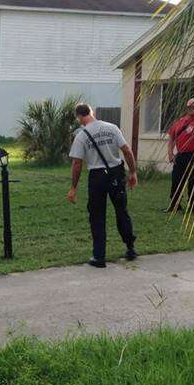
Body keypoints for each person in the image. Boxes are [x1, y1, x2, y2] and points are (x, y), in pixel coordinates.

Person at [67, 103, 138, 268]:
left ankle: (99, 256)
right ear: (91, 112)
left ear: (79, 117)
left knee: (97, 216)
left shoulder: (82, 136)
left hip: (97, 177)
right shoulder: (112, 128)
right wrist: (132, 172)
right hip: (116, 174)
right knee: (122, 211)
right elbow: (126, 150)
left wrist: (73, 187)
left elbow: (77, 163)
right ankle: (130, 248)